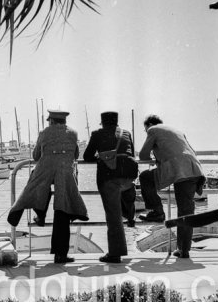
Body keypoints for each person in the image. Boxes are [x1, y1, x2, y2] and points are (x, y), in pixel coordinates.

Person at [7, 109, 88, 264]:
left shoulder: (44, 133)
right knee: (62, 210)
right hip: (65, 174)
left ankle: (30, 212)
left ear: (51, 120)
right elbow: (76, 155)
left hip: (45, 171)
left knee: (36, 189)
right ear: (64, 121)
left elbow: (36, 156)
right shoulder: (73, 133)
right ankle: (60, 255)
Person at [138, 115, 205, 258]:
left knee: (145, 177)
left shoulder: (153, 130)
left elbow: (143, 155)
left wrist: (154, 159)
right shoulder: (177, 131)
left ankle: (157, 211)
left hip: (178, 169)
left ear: (149, 124)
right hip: (194, 168)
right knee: (186, 211)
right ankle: (184, 250)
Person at [83, 111, 139, 264]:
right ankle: (130, 213)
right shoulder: (126, 133)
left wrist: (102, 158)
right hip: (128, 174)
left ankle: (115, 254)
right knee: (125, 191)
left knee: (113, 216)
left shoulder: (97, 134)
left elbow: (87, 156)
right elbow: (131, 152)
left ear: (103, 123)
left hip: (109, 177)